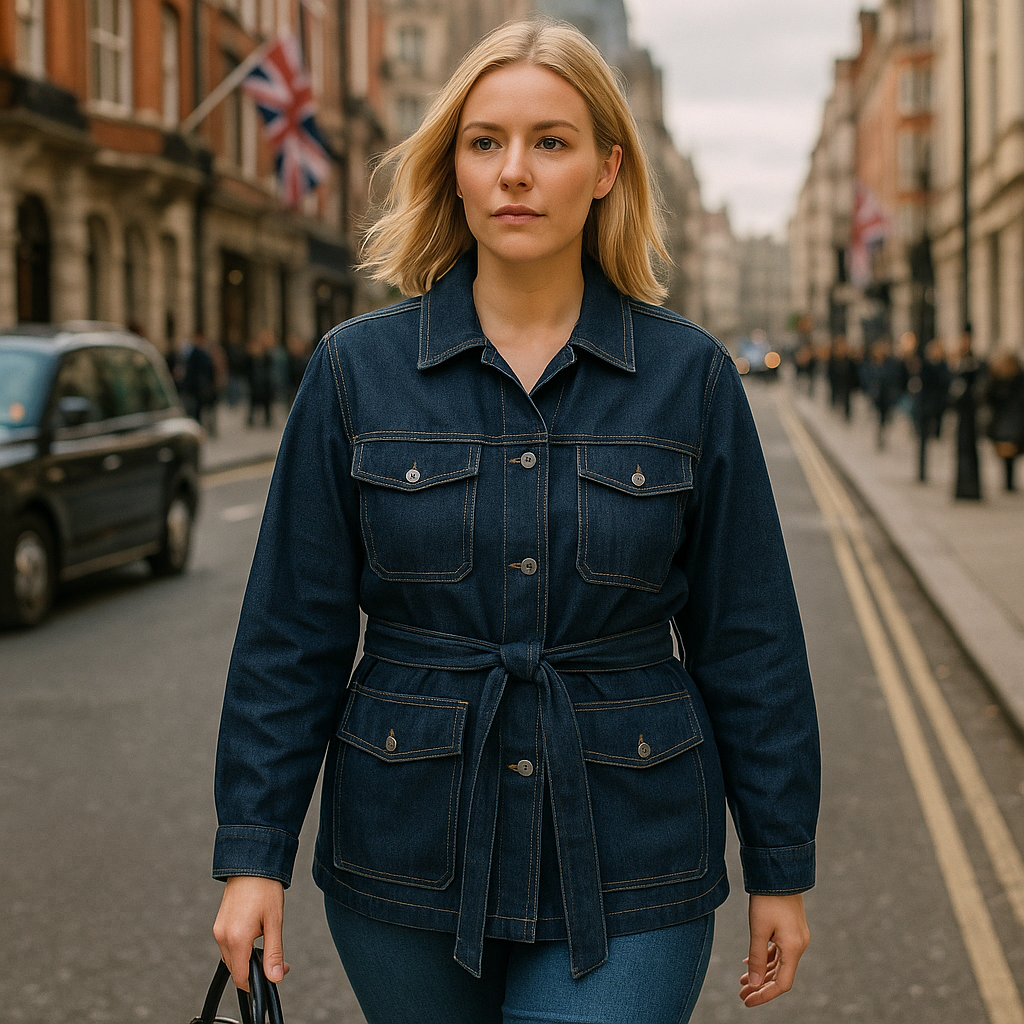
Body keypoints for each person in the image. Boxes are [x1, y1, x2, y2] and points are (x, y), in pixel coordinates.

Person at [211, 20, 820, 1024]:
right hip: (404, 843)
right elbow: (291, 632)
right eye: (485, 142)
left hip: (632, 847)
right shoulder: (356, 372)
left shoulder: (690, 377)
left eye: (551, 141)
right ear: (451, 169)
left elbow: (748, 640)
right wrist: (252, 854)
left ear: (606, 168)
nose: (516, 172)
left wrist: (779, 864)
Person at [983, 350, 1024, 492]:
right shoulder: (998, 378)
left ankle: (1008, 482)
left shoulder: (1014, 379)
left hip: (1008, 420)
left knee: (1008, 453)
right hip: (1007, 420)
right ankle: (1009, 482)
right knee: (1008, 453)